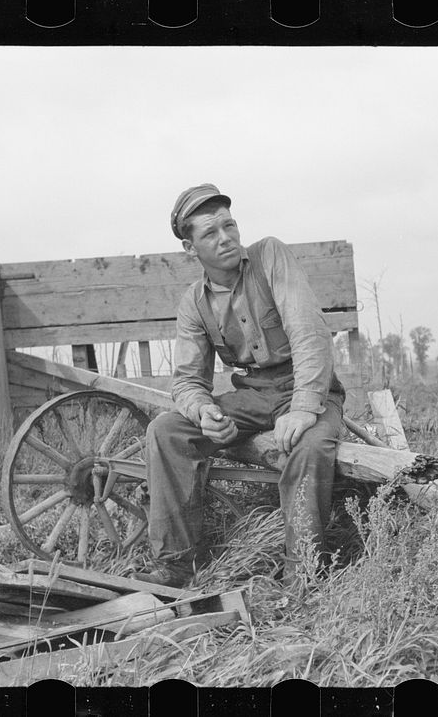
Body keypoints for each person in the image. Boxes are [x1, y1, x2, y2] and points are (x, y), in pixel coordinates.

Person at [132, 184, 346, 588]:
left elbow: (308, 334)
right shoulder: (194, 302)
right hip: (253, 396)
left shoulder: (269, 256)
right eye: (210, 233)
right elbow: (188, 380)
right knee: (166, 430)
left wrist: (303, 407)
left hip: (305, 386)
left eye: (229, 225)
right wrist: (205, 413)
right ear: (190, 249)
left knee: (312, 446)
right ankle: (176, 563)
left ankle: (303, 575)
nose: (226, 237)